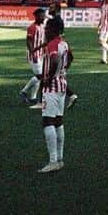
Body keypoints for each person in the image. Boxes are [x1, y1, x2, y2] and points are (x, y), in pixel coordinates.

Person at [38, 14, 73, 173]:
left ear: (53, 30)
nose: (45, 30)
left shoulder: (53, 44)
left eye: (47, 28)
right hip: (62, 85)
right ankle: (59, 159)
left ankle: (53, 160)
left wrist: (49, 78)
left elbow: (54, 60)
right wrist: (62, 72)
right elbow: (70, 58)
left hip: (51, 87)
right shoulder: (64, 43)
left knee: (48, 121)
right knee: (58, 121)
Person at [20, 6, 48, 106]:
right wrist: (33, 53)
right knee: (40, 76)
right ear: (37, 16)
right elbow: (28, 41)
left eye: (44, 15)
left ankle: (33, 98)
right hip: (34, 55)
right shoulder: (32, 27)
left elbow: (42, 41)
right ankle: (24, 92)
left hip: (41, 54)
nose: (44, 17)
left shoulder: (42, 27)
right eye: (42, 15)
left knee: (39, 77)